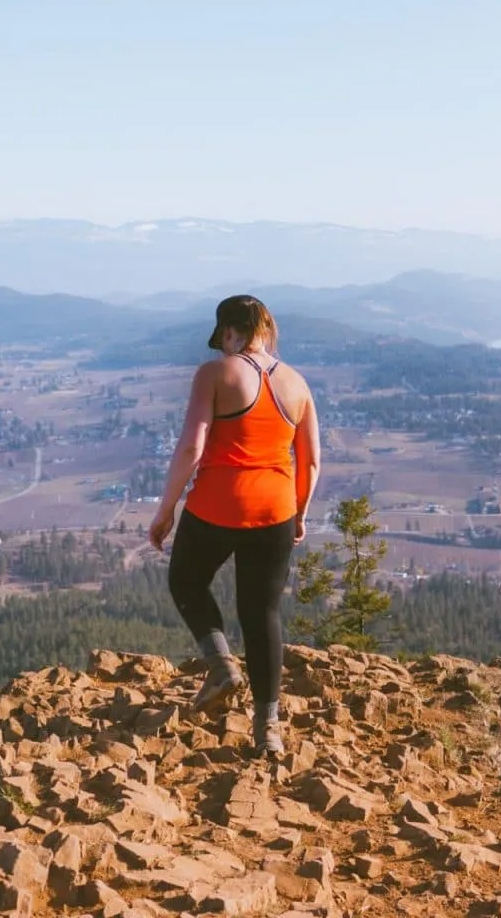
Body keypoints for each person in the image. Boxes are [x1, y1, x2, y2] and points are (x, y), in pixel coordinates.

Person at [148, 294, 321, 755]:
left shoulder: (214, 374)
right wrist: (300, 511)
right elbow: (312, 460)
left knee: (186, 579)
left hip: (216, 505)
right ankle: (269, 731)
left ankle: (221, 666)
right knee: (262, 613)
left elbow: (191, 447)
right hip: (276, 510)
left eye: (221, 339)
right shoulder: (298, 384)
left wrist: (165, 511)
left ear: (230, 332)